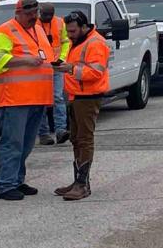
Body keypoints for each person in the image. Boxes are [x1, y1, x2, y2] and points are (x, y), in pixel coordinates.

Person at [0, 0, 55, 201]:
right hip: (14, 99)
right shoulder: (5, 30)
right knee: (13, 143)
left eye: (35, 13)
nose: (33, 17)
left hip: (37, 98)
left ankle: (17, 180)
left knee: (26, 144)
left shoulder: (38, 30)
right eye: (29, 14)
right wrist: (24, 60)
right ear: (18, 13)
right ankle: (6, 185)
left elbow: (45, 57)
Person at [54, 10, 110, 201]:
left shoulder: (95, 43)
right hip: (76, 95)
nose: (69, 35)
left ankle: (82, 184)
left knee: (84, 139)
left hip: (88, 97)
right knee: (77, 139)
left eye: (72, 31)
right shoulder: (79, 41)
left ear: (84, 27)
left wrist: (71, 69)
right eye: (68, 31)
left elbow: (95, 73)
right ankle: (79, 181)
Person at [36, 4, 70, 145]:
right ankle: (43, 134)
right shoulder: (34, 25)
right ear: (40, 13)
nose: (48, 17)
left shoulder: (60, 23)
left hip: (56, 66)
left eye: (50, 15)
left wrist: (62, 58)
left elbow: (66, 42)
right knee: (41, 100)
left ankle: (61, 130)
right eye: (45, 15)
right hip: (40, 68)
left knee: (58, 98)